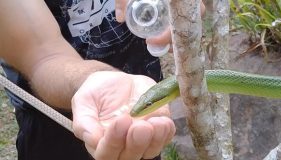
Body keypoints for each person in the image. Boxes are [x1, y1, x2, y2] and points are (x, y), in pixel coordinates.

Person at [0, 0, 205, 160]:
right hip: (53, 120)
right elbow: (43, 57)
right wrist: (95, 80)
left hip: (139, 101)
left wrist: (182, 10)